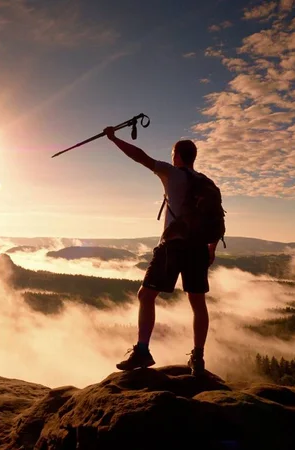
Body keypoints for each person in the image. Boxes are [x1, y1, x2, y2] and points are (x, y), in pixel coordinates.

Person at [103, 126, 218, 375]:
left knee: (146, 296)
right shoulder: (206, 182)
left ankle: (142, 351)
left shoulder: (171, 173)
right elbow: (215, 219)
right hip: (198, 248)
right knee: (198, 303)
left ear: (176, 154)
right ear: (194, 156)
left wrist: (113, 138)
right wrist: (211, 248)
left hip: (173, 246)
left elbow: (140, 156)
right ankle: (198, 359)